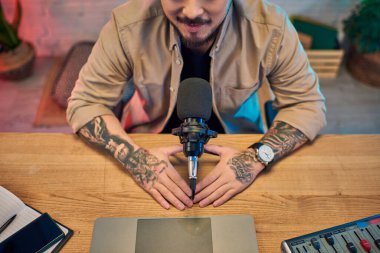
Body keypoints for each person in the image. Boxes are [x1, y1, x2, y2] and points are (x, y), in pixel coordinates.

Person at [67, 0, 326, 210]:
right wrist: (135, 159)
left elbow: (307, 105)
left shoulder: (271, 26)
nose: (191, 11)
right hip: (146, 145)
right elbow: (85, 102)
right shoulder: (126, 24)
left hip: (241, 146)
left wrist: (254, 158)